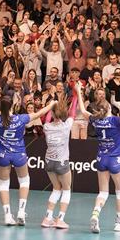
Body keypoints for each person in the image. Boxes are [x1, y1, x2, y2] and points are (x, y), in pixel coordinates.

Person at [0, 69, 55, 226]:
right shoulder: (21, 119)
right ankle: (21, 211)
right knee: (24, 181)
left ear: (0, 107)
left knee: (3, 184)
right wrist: (52, 104)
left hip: (3, 156)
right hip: (19, 154)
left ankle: (7, 215)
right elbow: (40, 113)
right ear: (13, 105)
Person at [75, 82, 120, 234]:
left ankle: (95, 213)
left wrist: (78, 91)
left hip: (101, 158)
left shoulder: (95, 120)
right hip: (115, 159)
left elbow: (82, 109)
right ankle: (118, 223)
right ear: (109, 108)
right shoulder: (115, 121)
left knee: (103, 192)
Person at [40, 96, 75, 230]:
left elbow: (47, 118)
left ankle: (47, 218)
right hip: (61, 162)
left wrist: (51, 105)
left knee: (56, 189)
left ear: (53, 113)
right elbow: (72, 113)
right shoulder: (66, 126)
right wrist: (76, 95)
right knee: (66, 190)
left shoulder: (47, 127)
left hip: (49, 162)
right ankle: (60, 219)